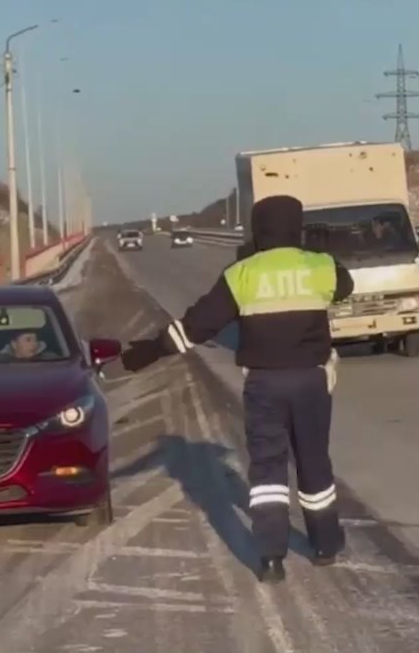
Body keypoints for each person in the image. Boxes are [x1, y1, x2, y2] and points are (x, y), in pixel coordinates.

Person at [121, 194, 354, 583]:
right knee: (314, 461)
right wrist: (316, 255)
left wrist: (149, 351)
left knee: (267, 468)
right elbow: (344, 286)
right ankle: (325, 545)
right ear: (296, 227)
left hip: (263, 383)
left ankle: (270, 557)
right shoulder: (319, 266)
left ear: (257, 229)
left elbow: (198, 325)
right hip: (310, 380)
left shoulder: (241, 273)